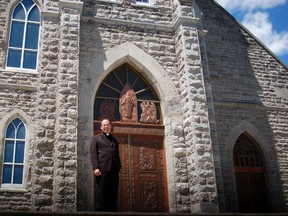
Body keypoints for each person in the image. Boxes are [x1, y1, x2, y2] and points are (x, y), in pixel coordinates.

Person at [90, 118, 121, 211]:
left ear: (110, 126)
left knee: (113, 192)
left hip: (114, 170)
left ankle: (112, 211)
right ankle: (100, 212)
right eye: (104, 125)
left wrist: (118, 167)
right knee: (102, 192)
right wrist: (95, 167)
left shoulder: (114, 140)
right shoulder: (96, 138)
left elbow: (117, 154)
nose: (106, 126)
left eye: (107, 124)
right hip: (102, 169)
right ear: (101, 127)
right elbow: (93, 154)